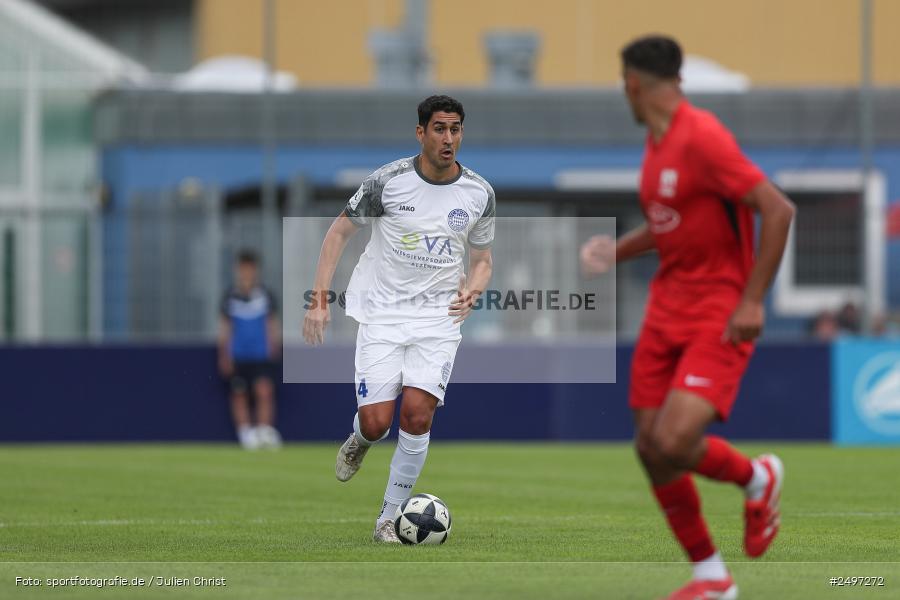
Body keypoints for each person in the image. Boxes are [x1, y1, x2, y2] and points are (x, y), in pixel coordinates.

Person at [580, 36, 795, 599]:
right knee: (650, 448)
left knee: (675, 440)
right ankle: (712, 578)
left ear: (632, 84)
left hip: (717, 310)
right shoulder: (656, 144)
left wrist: (752, 300)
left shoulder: (702, 136)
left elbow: (777, 209)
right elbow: (671, 223)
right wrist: (616, 251)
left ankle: (758, 478)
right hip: (666, 309)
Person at [303, 95, 494, 543]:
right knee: (375, 422)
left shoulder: (478, 193)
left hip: (438, 320)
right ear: (421, 133)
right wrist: (319, 300)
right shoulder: (387, 182)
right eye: (440, 129)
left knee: (417, 415)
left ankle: (387, 519)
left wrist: (473, 288)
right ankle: (359, 440)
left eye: (456, 129)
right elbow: (338, 233)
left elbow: (483, 259)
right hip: (383, 314)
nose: (449, 138)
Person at [218, 249, 283, 450]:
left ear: (255, 270)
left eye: (250, 269)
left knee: (264, 391)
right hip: (238, 355)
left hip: (260, 354)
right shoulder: (230, 296)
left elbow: (272, 324)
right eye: (243, 269)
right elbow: (225, 328)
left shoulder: (265, 295)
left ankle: (264, 431)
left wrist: (274, 345)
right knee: (239, 394)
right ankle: (245, 434)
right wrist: (224, 355)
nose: (246, 273)